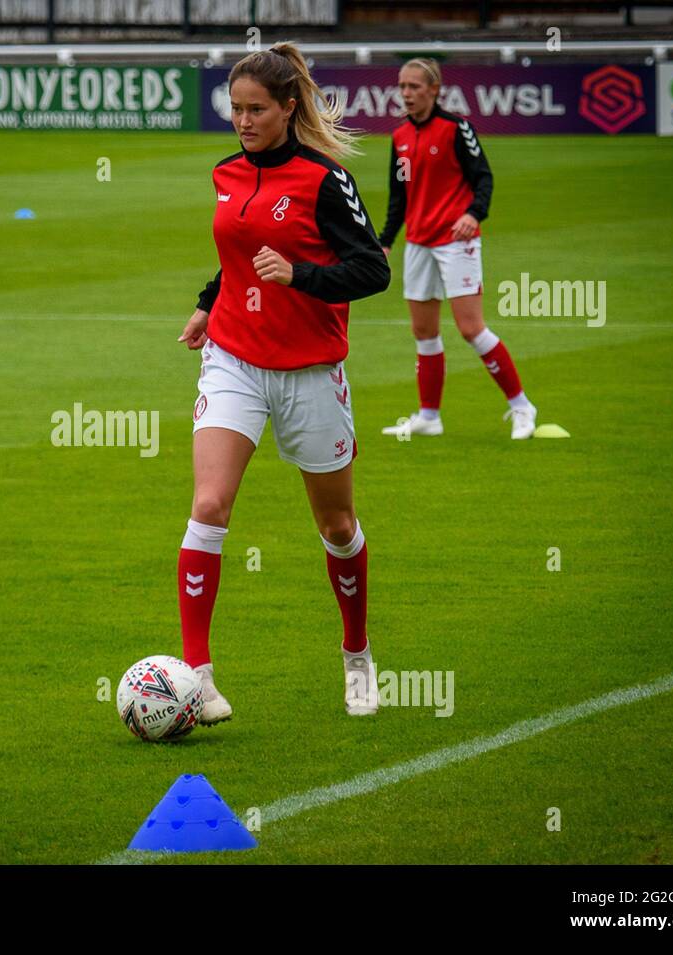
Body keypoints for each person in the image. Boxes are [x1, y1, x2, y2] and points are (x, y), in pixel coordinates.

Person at [176, 43, 390, 721]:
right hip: (234, 358)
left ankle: (357, 655)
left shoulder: (325, 181)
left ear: (288, 108)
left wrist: (302, 277)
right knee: (209, 505)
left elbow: (372, 270)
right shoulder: (224, 173)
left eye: (255, 109)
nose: (242, 120)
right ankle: (197, 677)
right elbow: (237, 254)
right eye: (234, 109)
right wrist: (210, 303)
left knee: (337, 523)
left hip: (311, 372)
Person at [377, 57, 538, 440]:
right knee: (424, 331)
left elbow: (483, 177)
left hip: (456, 241)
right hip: (418, 243)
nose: (407, 94)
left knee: (471, 329)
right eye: (402, 86)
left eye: (415, 87)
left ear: (434, 90)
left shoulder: (456, 129)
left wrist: (473, 214)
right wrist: (385, 241)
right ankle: (429, 417)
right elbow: (399, 195)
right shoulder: (400, 138)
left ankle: (521, 406)